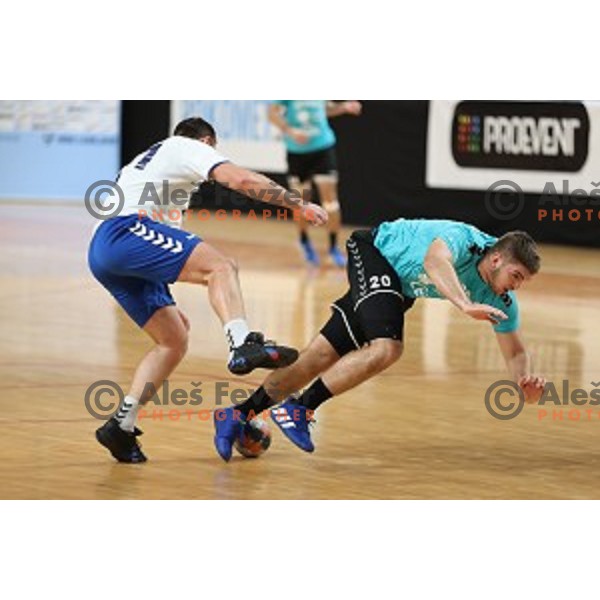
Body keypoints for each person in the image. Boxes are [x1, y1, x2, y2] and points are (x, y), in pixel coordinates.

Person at [89, 116, 328, 463]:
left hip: (105, 250)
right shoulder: (186, 147)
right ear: (206, 142)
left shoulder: (152, 168)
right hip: (124, 232)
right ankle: (242, 342)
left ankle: (121, 426)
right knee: (222, 267)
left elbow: (165, 241)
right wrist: (298, 204)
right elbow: (241, 179)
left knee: (174, 337)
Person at [213, 218, 546, 460]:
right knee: (388, 347)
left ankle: (239, 413)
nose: (515, 286)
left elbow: (515, 351)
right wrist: (465, 304)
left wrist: (524, 387)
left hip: (395, 285)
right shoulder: (464, 239)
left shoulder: (502, 300)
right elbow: (435, 261)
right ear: (497, 258)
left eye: (523, 282)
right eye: (515, 276)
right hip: (374, 252)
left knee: (319, 355)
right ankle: (300, 408)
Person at [268, 100, 362, 268]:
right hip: (297, 153)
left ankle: (333, 248)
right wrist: (290, 131)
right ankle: (304, 241)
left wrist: (343, 108)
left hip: (323, 149)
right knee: (299, 201)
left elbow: (324, 109)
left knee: (331, 203)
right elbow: (272, 113)